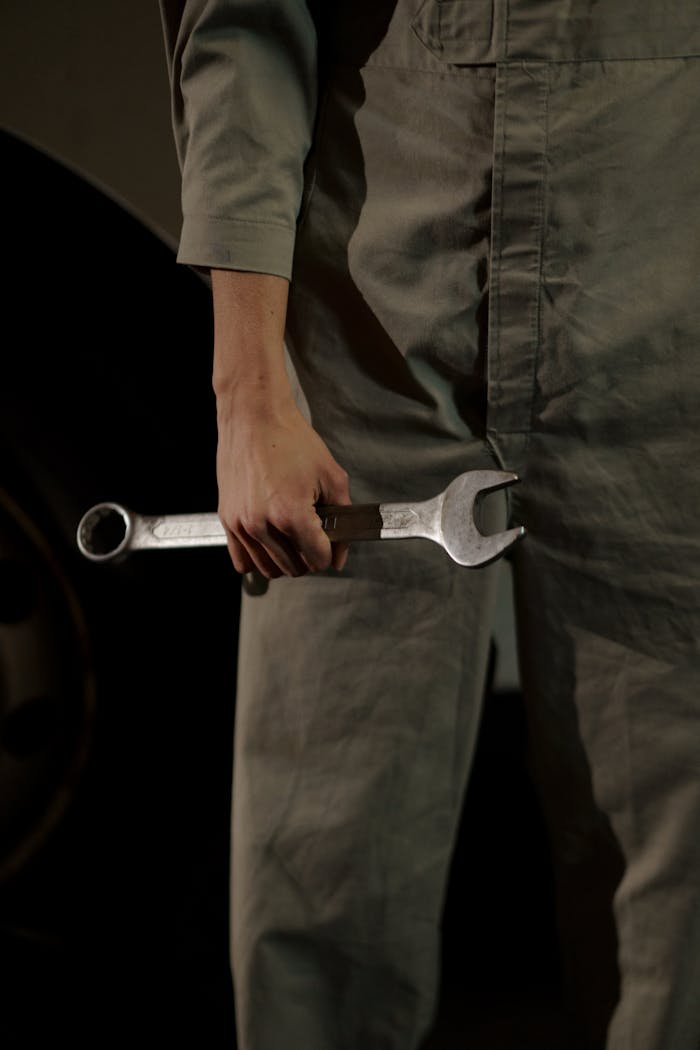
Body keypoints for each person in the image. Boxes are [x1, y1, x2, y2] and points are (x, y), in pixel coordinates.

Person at [158, 3, 700, 1048]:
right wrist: (246, 394)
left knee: (681, 905)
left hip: (669, 312)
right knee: (320, 875)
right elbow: (242, 25)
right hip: (365, 336)